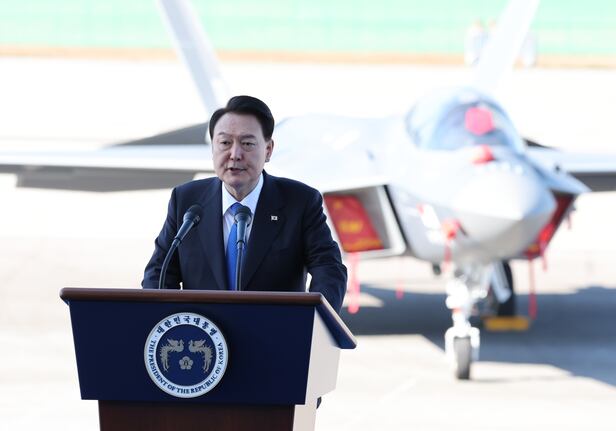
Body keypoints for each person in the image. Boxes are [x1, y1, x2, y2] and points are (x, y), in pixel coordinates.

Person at [142, 95, 347, 313]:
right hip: (203, 331)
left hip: (275, 329)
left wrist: (315, 319)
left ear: (268, 150)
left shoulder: (300, 201)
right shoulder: (186, 200)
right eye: (225, 143)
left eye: (247, 144)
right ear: (212, 148)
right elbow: (159, 272)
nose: (235, 154)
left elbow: (329, 268)